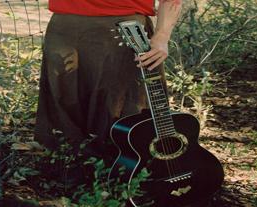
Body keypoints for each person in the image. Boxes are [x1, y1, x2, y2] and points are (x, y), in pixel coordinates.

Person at [34, 0, 185, 188]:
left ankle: (121, 176)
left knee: (121, 105)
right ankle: (72, 172)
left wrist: (162, 36)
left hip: (126, 27)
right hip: (67, 27)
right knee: (65, 99)